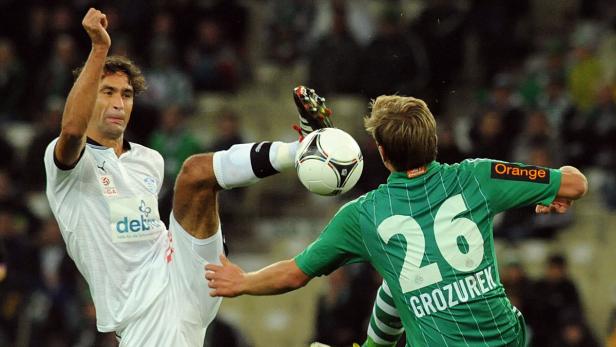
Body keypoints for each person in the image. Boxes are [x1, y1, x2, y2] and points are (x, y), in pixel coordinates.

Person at [44, 8, 330, 346]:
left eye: (126, 94)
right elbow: (73, 129)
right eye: (107, 92)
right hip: (140, 315)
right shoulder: (66, 163)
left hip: (184, 272)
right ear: (87, 95)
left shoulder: (148, 159)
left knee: (196, 173)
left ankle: (302, 147)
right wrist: (98, 49)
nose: (119, 102)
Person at [206, 95, 588, 346]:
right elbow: (575, 183)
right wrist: (551, 193)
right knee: (394, 286)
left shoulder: (364, 214)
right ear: (434, 139)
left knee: (400, 281)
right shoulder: (477, 176)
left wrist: (242, 282)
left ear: (382, 153)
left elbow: (294, 274)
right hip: (507, 340)